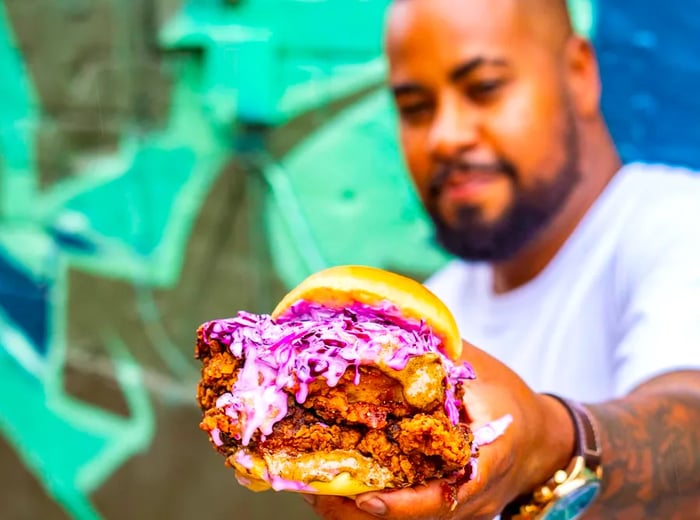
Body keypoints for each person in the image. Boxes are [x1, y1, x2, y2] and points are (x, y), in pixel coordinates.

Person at [302, 0, 700, 518]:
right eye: (416, 108)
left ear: (578, 73)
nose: (446, 137)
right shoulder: (431, 315)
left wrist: (549, 442)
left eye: (484, 88)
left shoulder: (678, 224)